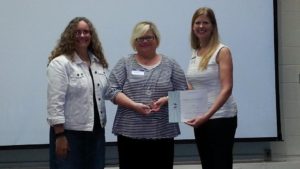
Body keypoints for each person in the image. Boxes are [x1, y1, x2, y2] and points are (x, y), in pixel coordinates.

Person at [108, 21, 188, 169]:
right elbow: (111, 90)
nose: (144, 41)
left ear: (156, 39)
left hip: (162, 133)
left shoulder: (170, 64)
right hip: (129, 133)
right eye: (140, 38)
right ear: (134, 41)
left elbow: (183, 91)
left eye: (148, 37)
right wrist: (133, 105)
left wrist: (167, 100)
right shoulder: (125, 62)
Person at [47, 17, 113, 169]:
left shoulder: (98, 62)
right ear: (70, 35)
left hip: (96, 133)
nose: (82, 35)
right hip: (69, 134)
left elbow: (109, 92)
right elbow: (55, 102)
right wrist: (59, 135)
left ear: (91, 35)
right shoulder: (60, 63)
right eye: (77, 32)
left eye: (86, 32)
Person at [185, 7, 238, 169]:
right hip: (201, 118)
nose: (201, 26)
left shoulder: (222, 51)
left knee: (220, 164)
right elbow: (192, 86)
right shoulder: (196, 52)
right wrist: (172, 100)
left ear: (213, 26)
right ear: (193, 27)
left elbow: (227, 88)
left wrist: (207, 115)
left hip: (220, 118)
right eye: (197, 22)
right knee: (207, 163)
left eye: (205, 22)